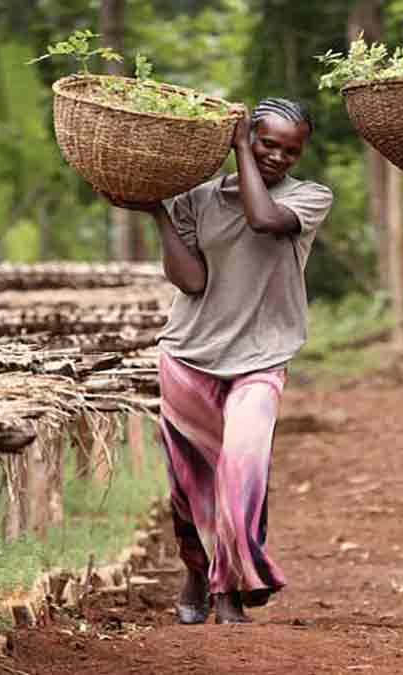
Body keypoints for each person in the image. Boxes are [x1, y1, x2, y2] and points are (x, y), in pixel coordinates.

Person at [105, 97, 333, 625]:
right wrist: (159, 211)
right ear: (251, 135)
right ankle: (197, 573)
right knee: (191, 486)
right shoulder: (198, 200)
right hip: (189, 354)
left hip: (262, 356)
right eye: (266, 143)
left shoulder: (308, 197)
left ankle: (233, 587)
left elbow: (262, 219)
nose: (277, 157)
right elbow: (191, 281)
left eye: (289, 151)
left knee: (241, 470)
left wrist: (238, 150)